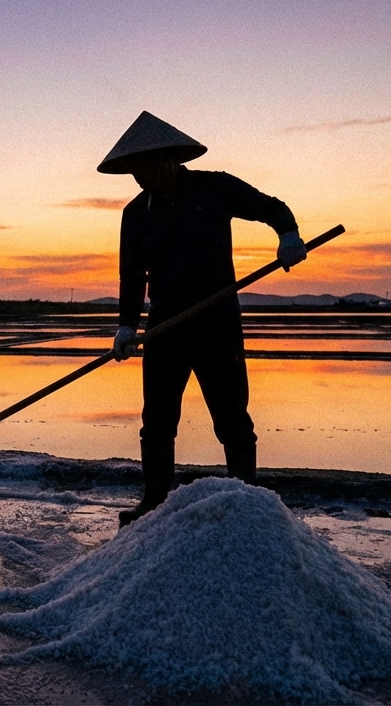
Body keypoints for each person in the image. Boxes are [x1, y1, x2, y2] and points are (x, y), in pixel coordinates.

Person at [101, 111, 307, 527]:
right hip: (165, 328)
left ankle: (246, 499)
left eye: (142, 167)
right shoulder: (136, 212)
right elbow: (132, 273)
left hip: (217, 325)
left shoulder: (215, 188)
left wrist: (288, 236)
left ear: (166, 159)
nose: (138, 178)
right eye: (133, 171)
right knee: (157, 421)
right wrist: (127, 325)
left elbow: (273, 208)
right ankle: (155, 503)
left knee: (231, 417)